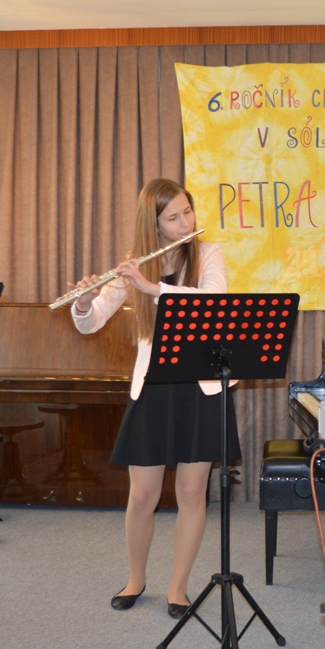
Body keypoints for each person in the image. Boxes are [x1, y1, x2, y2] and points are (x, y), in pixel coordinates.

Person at [69, 177, 235, 618]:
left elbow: (212, 302)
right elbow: (91, 321)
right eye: (173, 217)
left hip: (200, 386)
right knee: (142, 495)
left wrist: (153, 288)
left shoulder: (209, 254)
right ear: (154, 224)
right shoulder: (136, 263)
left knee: (192, 492)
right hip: (154, 386)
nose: (185, 223)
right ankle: (136, 578)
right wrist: (83, 302)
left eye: (188, 212)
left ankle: (178, 587)